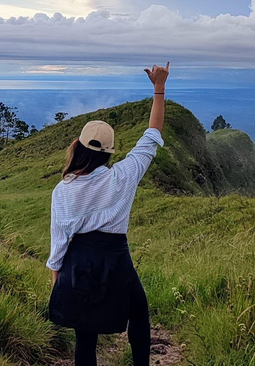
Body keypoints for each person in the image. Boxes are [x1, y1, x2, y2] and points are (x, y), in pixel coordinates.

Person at [47, 63, 170, 366]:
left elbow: (59, 240)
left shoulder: (62, 190)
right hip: (116, 258)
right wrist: (158, 89)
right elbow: (152, 135)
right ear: (110, 153)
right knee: (139, 312)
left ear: (78, 146)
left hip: (78, 262)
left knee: (84, 334)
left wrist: (57, 277)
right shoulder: (122, 177)